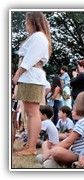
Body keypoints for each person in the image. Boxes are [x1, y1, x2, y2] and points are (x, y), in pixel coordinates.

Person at [12, 12, 52, 155]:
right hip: (29, 77)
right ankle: (29, 144)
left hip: (31, 77)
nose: (25, 24)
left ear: (33, 21)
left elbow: (29, 59)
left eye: (26, 21)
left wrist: (17, 75)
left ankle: (32, 147)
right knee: (29, 113)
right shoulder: (37, 37)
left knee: (33, 112)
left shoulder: (38, 37)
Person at [37, 91, 84, 168]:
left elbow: (68, 142)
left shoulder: (83, 122)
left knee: (57, 151)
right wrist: (56, 145)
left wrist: (52, 150)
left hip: (77, 155)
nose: (74, 105)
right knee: (46, 144)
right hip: (74, 152)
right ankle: (50, 159)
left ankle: (51, 159)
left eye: (75, 103)